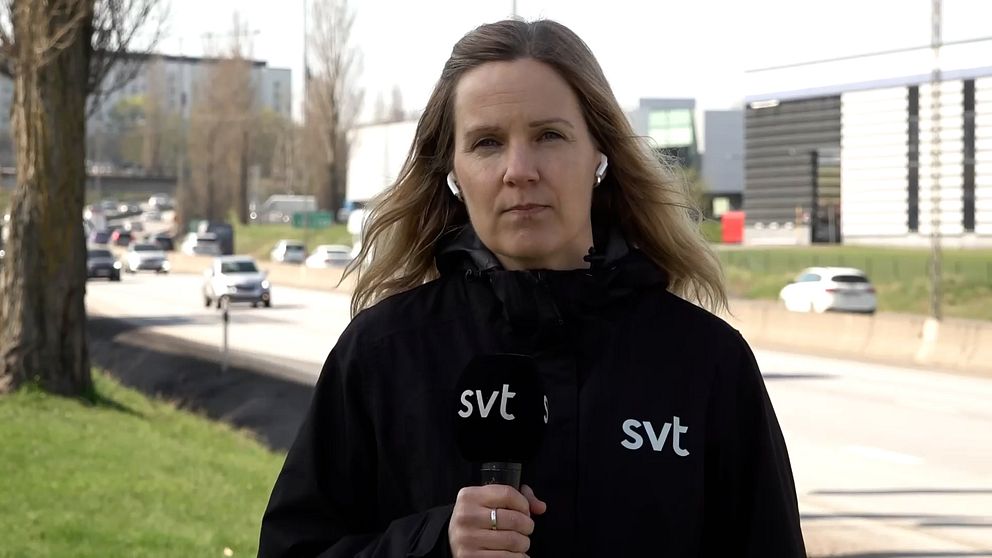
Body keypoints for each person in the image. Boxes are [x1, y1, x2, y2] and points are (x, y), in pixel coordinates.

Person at [258, 18, 806, 557]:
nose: (519, 170)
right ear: (453, 171)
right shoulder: (382, 354)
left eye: (549, 136)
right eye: (487, 142)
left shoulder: (704, 362)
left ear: (600, 154)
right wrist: (434, 543)